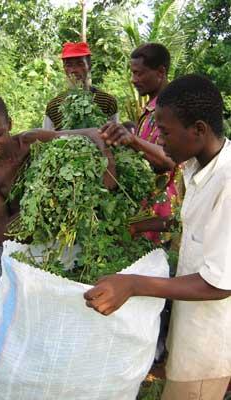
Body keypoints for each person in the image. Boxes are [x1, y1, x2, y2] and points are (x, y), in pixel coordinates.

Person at [84, 74, 231, 400]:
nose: (160, 141)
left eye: (164, 132)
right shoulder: (197, 167)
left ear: (199, 130)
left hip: (208, 347)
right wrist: (143, 225)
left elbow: (219, 284)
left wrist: (133, 284)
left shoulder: (227, 183)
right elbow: (195, 231)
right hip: (191, 325)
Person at [0, 92, 116, 299]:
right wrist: (45, 197)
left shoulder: (30, 141)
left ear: (9, 124)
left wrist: (106, 155)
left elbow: (91, 133)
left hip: (37, 244)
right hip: (4, 250)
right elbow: (8, 229)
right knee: (0, 307)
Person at [99, 43, 179, 242]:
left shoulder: (170, 109)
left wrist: (133, 141)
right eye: (132, 73)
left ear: (160, 72)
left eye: (139, 73)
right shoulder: (148, 111)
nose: (134, 80)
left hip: (164, 218)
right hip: (146, 213)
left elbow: (168, 160)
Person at [43, 42, 118, 130]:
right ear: (64, 68)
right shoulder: (54, 106)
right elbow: (46, 138)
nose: (74, 70)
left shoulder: (107, 102)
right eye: (69, 65)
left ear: (89, 66)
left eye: (80, 64)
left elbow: (115, 137)